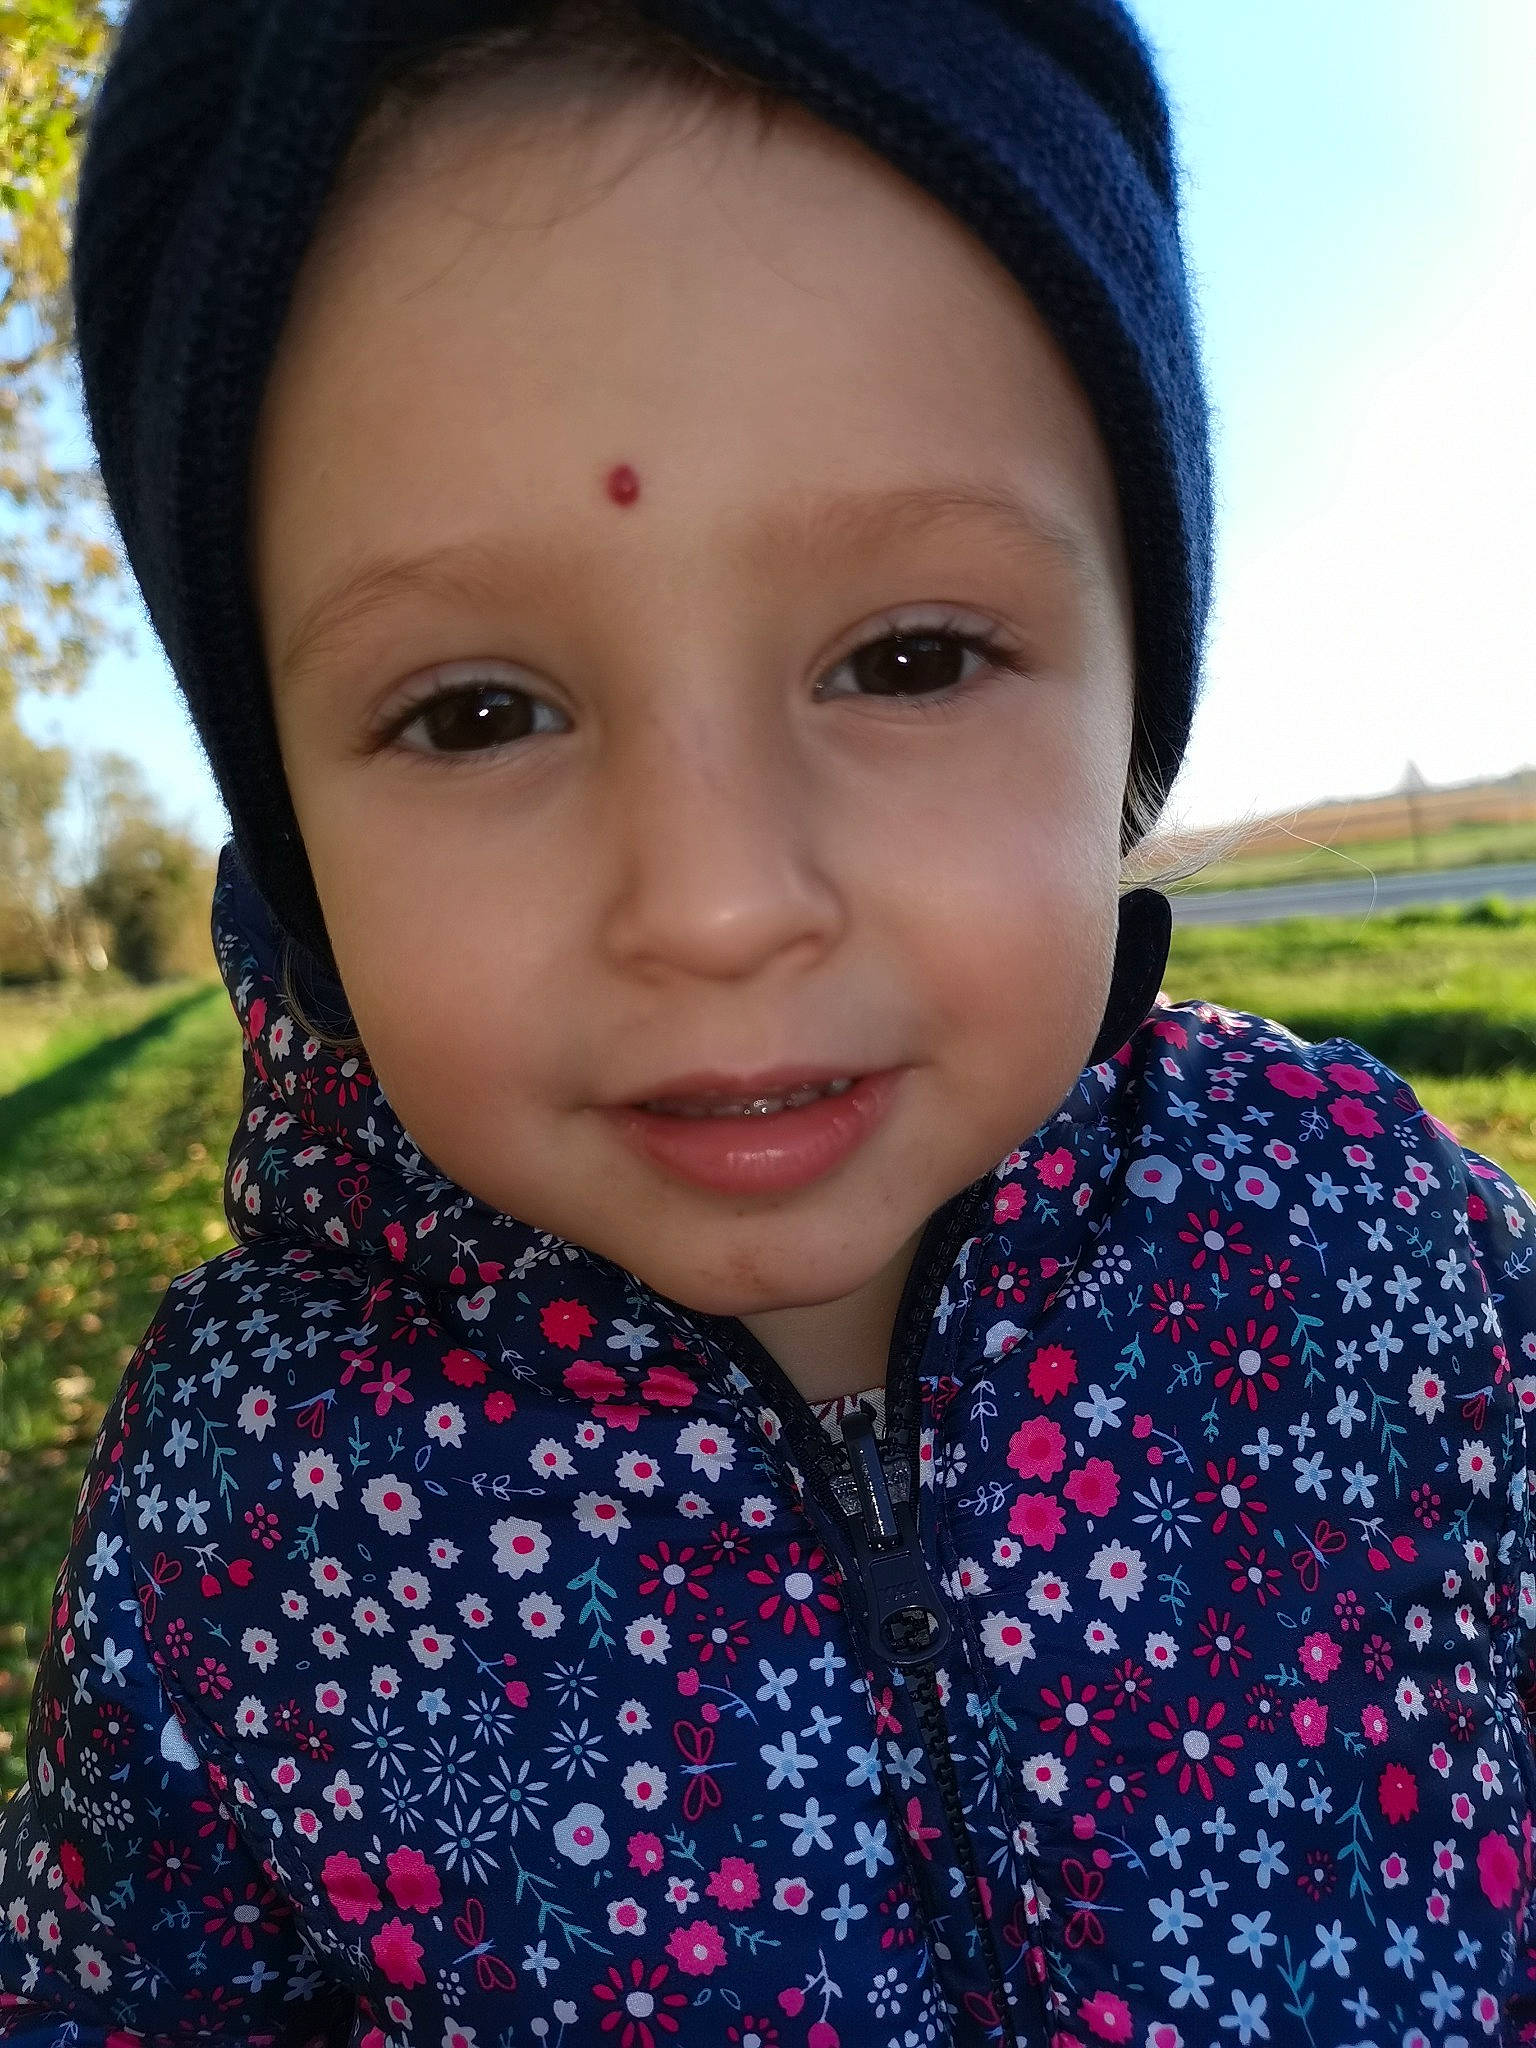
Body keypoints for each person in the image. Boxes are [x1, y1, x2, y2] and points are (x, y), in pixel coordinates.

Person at [2, 2, 1533, 2043]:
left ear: (1127, 702)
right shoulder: (244, 1516)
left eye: (908, 657)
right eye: (478, 712)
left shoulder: (1376, 1256)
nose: (717, 901)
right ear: (292, 829)